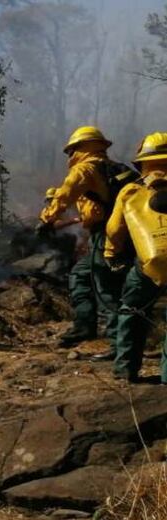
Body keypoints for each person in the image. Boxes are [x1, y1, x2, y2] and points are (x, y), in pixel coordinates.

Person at [39, 126, 134, 355]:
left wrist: (47, 219)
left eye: (71, 150)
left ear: (80, 148)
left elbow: (65, 193)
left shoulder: (86, 168)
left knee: (107, 287)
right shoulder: (115, 169)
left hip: (106, 236)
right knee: (82, 274)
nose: (70, 156)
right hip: (126, 233)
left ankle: (117, 344)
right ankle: (85, 326)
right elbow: (96, 208)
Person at [104, 132, 167, 383]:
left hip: (147, 266)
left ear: (143, 162)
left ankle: (125, 371)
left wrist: (111, 255)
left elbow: (113, 229)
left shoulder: (131, 191)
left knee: (131, 310)